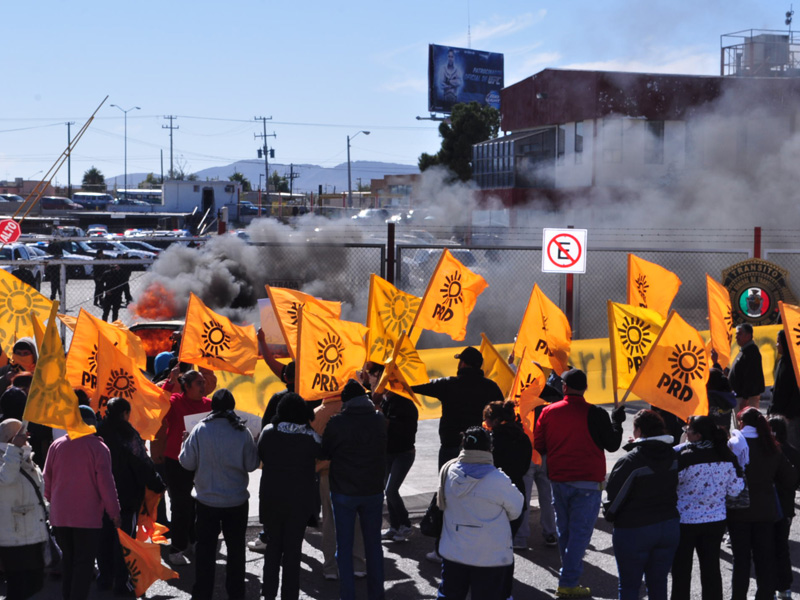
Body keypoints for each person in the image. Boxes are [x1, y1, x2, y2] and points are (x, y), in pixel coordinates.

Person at [533, 368, 625, 599]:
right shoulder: (596, 413)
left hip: (559, 479)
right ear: (585, 388)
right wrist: (617, 422)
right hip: (587, 482)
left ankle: (568, 579)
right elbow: (613, 444)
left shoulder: (548, 412)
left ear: (564, 387)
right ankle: (568, 582)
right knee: (579, 535)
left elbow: (539, 445)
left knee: (566, 532)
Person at [179, 388, 259, 600]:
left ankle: (202, 594)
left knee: (205, 551)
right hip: (236, 501)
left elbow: (187, 463)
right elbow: (251, 465)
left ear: (212, 406)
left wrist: (185, 442)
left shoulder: (200, 429)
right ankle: (236, 594)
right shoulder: (242, 431)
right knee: (236, 550)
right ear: (232, 406)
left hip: (206, 501)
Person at [437, 426, 524, 600]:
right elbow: (516, 511)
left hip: (453, 550)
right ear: (489, 448)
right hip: (490, 556)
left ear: (463, 445)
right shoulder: (498, 479)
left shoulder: (447, 471)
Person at [44, 406, 121, 600]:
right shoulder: (98, 447)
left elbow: (47, 478)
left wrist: (52, 501)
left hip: (60, 515)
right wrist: (114, 512)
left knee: (69, 561)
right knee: (84, 563)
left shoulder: (57, 445)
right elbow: (106, 484)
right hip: (87, 517)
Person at [321, 379, 387, 600]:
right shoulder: (378, 419)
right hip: (373, 490)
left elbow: (324, 453)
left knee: (344, 546)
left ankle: (347, 595)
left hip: (344, 491)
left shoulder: (337, 422)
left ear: (346, 401)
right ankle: (376, 595)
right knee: (374, 546)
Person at [603, 410, 679, 600]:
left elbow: (614, 501)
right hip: (668, 525)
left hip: (634, 529)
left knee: (629, 586)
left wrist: (609, 515)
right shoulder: (673, 455)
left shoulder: (631, 460)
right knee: (659, 583)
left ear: (639, 431)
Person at [96, 397, 166, 594]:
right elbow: (142, 463)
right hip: (126, 496)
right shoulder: (128, 434)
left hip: (101, 496)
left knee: (104, 538)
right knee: (124, 541)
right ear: (125, 413)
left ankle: (104, 579)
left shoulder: (98, 431)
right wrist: (157, 483)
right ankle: (121, 583)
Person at [670, 415, 745, 600]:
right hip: (716, 520)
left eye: (688, 430)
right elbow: (735, 489)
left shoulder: (683, 456)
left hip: (685, 520)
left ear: (698, 435)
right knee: (711, 568)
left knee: (681, 569)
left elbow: (669, 486)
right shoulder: (727, 455)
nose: (686, 433)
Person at [727, 407, 798, 600]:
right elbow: (790, 478)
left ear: (741, 422)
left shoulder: (732, 445)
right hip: (766, 511)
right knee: (764, 559)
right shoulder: (771, 445)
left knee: (741, 560)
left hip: (738, 512)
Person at [258, 392, 322, 600]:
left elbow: (261, 455)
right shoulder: (311, 437)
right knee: (293, 553)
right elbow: (323, 454)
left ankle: (268, 594)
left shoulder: (269, 432)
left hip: (271, 500)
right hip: (300, 503)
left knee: (272, 550)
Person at [153, 369, 213, 566]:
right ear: (186, 386)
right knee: (181, 505)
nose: (203, 386)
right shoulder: (175, 401)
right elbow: (158, 405)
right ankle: (177, 548)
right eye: (199, 383)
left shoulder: (209, 405)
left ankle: (195, 541)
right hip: (175, 461)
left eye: (203, 382)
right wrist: (170, 382)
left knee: (199, 503)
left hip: (201, 461)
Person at [312, 387, 367, 581]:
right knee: (356, 518)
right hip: (355, 472)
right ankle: (358, 563)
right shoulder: (359, 412)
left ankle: (330, 567)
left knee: (329, 520)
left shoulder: (317, 414)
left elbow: (313, 451)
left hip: (327, 474)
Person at [482, 400, 532, 600]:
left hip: (494, 497)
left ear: (494, 420)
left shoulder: (491, 440)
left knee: (489, 546)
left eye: (486, 419)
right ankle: (505, 590)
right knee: (506, 547)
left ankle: (488, 587)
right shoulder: (523, 437)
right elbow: (524, 467)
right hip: (517, 494)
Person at [364, 363, 418, 544]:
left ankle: (406, 525)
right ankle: (395, 526)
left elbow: (394, 428)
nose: (378, 384)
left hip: (403, 453)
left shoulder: (405, 404)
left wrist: (378, 410)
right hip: (389, 452)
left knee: (391, 490)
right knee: (388, 491)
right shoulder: (386, 401)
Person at [0, 419, 49, 600]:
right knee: (18, 587)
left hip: (34, 533)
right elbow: (6, 479)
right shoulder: (8, 457)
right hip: (12, 538)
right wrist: (15, 449)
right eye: (22, 434)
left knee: (36, 583)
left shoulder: (25, 456)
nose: (27, 437)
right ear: (10, 437)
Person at [767, 415, 800, 600]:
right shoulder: (794, 452)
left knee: (766, 549)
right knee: (782, 548)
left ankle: (769, 590)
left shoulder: (768, 451)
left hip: (768, 507)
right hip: (786, 507)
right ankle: (785, 588)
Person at [769, 329, 800, 449]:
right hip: (779, 415)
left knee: (792, 445)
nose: (777, 345)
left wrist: (789, 414)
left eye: (779, 342)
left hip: (790, 417)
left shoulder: (794, 363)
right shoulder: (783, 361)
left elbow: (796, 392)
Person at [728, 323, 765, 412]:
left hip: (747, 398)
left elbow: (751, 377)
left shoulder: (751, 352)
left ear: (748, 336)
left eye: (739, 334)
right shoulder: (744, 351)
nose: (736, 337)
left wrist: (745, 398)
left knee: (746, 420)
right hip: (741, 396)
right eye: (736, 334)